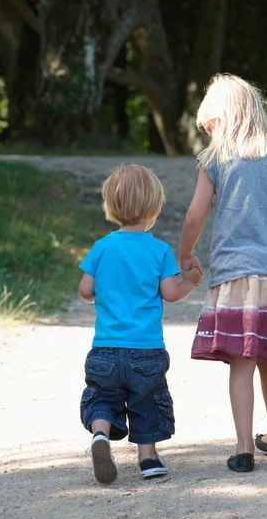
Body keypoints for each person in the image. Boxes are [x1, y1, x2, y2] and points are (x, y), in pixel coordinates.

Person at [179, 73, 267, 473]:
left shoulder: (215, 159)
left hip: (234, 274)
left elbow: (195, 214)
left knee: (241, 362)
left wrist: (184, 255)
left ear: (221, 119)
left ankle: (243, 449)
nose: (210, 135)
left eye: (211, 127)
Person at [79, 164, 201, 484]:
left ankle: (101, 435)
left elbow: (85, 291)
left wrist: (102, 295)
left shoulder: (102, 247)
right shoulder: (158, 250)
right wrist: (190, 283)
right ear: (154, 208)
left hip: (105, 348)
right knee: (146, 401)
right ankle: (148, 459)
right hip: (146, 350)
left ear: (111, 206)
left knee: (103, 397)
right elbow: (171, 293)